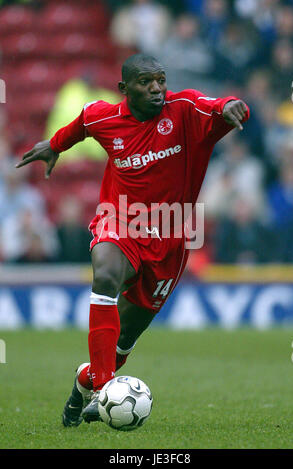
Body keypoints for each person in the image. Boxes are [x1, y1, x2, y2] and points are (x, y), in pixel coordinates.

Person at [15, 53, 249, 427]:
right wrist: (54, 145)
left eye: (160, 79)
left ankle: (85, 381)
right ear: (125, 89)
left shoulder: (184, 108)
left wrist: (234, 106)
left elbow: (218, 106)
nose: (156, 88)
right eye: (146, 82)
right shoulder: (104, 117)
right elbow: (81, 126)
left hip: (170, 237)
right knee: (105, 275)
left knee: (123, 343)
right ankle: (104, 386)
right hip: (120, 219)